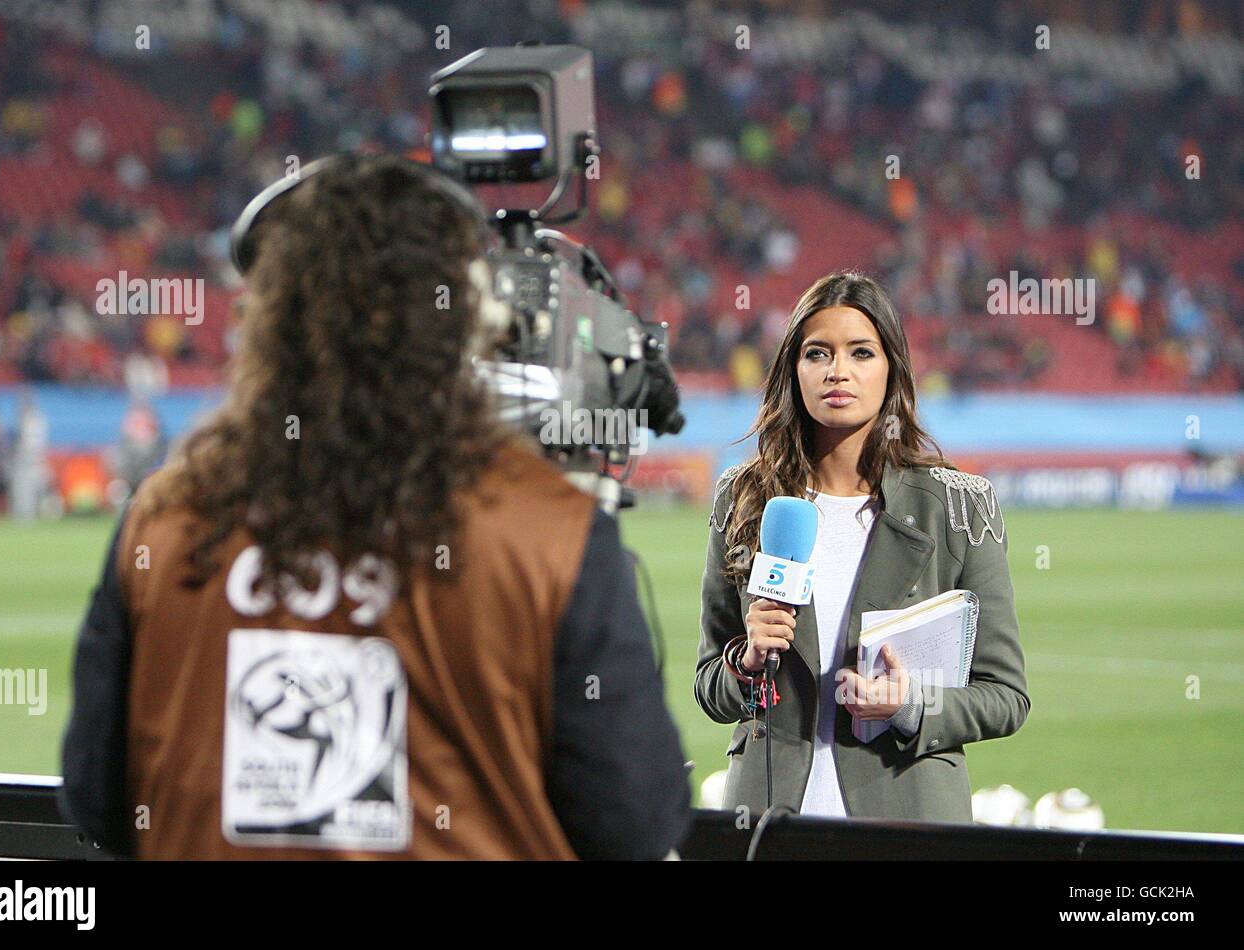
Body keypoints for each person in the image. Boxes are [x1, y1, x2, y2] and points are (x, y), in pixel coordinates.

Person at [60, 154, 691, 860]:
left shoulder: (167, 516)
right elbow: (634, 821)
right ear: (463, 314)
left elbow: (99, 798)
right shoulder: (549, 529)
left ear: (269, 320)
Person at [695, 271, 1029, 823]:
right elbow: (710, 686)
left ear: (892, 368)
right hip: (766, 822)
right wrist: (747, 663)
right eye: (817, 353)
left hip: (908, 822)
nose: (838, 371)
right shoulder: (745, 498)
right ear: (793, 370)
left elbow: (1006, 697)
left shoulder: (959, 508)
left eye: (861, 353)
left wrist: (908, 705)